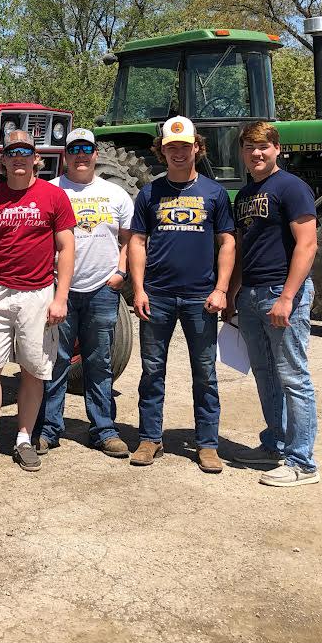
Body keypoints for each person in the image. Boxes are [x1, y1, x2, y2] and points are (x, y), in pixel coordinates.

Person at [0, 130, 76, 474]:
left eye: (26, 152)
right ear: (4, 159)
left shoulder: (53, 197)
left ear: (35, 158)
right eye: (13, 152)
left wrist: (61, 297)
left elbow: (66, 248)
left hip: (38, 295)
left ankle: (24, 439)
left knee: (33, 370)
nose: (19, 158)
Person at [128, 116, 235, 474]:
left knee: (204, 373)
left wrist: (221, 289)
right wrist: (139, 289)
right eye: (171, 147)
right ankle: (149, 438)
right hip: (156, 295)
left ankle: (207, 445)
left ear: (196, 148)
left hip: (200, 297)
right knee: (152, 371)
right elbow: (137, 243)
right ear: (162, 151)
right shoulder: (149, 193)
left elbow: (227, 242)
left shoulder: (214, 193)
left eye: (184, 147)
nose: (178, 153)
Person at [229, 121, 320, 487]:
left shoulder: (292, 187)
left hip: (281, 295)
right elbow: (241, 248)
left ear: (277, 148)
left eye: (263, 146)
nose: (256, 153)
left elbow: (307, 245)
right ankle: (275, 444)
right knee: (266, 374)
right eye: (250, 147)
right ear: (242, 153)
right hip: (251, 296)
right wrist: (233, 293)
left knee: (294, 377)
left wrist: (287, 297)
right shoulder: (245, 194)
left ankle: (302, 462)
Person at [33, 128, 134, 458]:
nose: (80, 154)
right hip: (59, 290)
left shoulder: (115, 194)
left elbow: (129, 239)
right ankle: (49, 428)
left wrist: (120, 273)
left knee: (99, 362)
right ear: (65, 155)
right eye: (73, 148)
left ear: (94, 154)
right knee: (55, 361)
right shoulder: (49, 191)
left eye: (86, 148)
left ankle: (104, 429)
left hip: (102, 290)